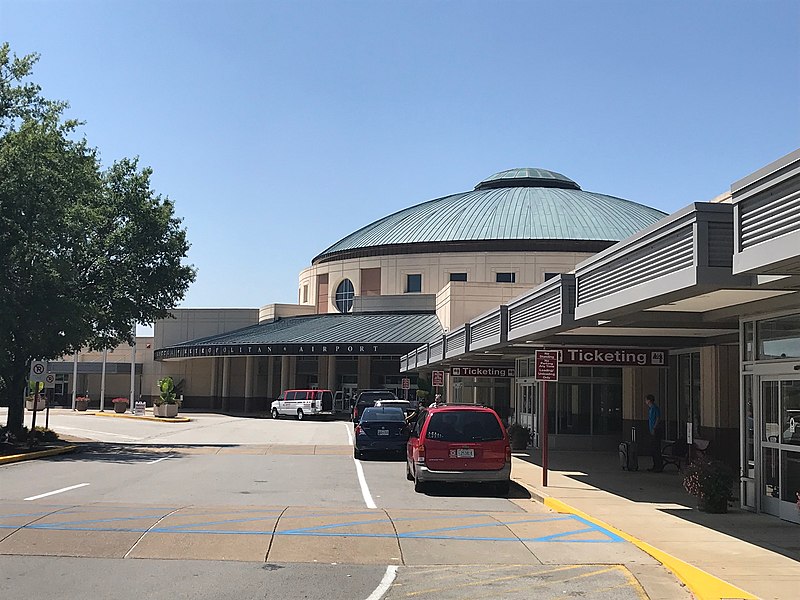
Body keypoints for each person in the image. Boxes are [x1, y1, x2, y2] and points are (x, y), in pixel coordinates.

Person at [645, 394, 664, 472]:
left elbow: (657, 418)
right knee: (653, 449)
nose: (645, 401)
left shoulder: (655, 408)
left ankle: (658, 466)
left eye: (646, 400)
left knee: (656, 449)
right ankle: (655, 465)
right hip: (652, 430)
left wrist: (654, 428)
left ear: (649, 400)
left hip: (656, 430)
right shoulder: (650, 409)